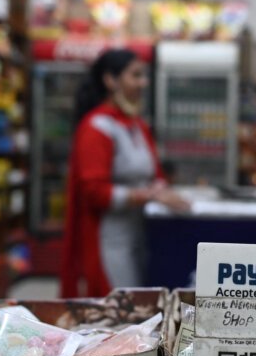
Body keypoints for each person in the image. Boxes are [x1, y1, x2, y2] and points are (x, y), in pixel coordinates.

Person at [61, 49, 187, 298]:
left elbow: (155, 173)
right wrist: (148, 195)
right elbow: (94, 192)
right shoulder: (96, 127)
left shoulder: (137, 125)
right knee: (121, 307)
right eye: (136, 75)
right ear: (111, 80)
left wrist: (161, 187)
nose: (143, 82)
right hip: (109, 240)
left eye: (144, 75)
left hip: (141, 235)